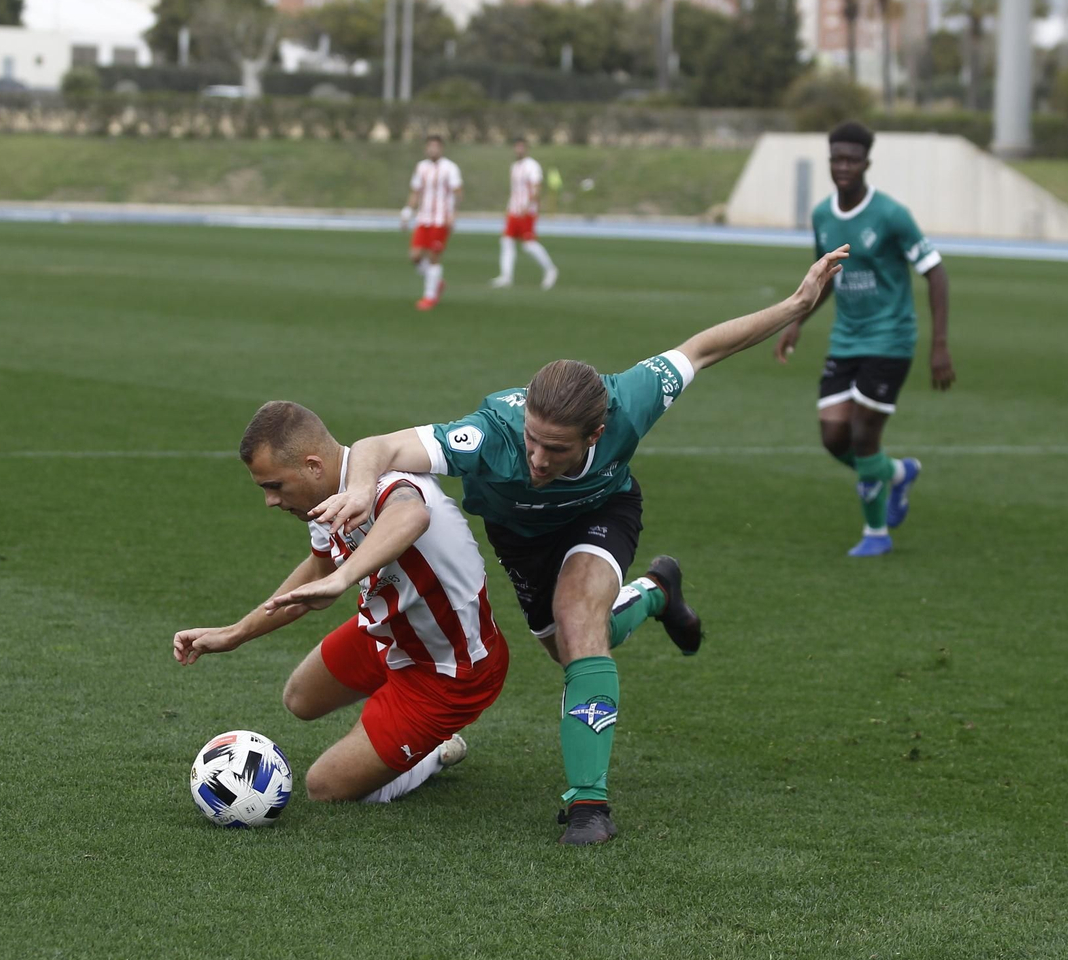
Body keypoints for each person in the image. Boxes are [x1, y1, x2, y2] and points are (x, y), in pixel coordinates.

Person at [310, 248, 848, 844]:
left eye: (556, 449)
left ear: (596, 432)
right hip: (520, 539)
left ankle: (589, 806)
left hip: (601, 515)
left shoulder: (631, 400)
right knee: (572, 647)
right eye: (532, 441)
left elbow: (703, 348)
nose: (538, 459)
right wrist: (360, 488)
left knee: (577, 619)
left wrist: (799, 303)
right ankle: (655, 592)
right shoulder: (489, 436)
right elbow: (378, 445)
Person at [172, 401, 508, 805]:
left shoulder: (387, 485)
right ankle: (400, 728)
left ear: (314, 466)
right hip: (390, 636)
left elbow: (411, 515)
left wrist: (343, 578)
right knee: (300, 698)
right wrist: (234, 634)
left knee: (325, 787)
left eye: (274, 486)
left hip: (450, 670)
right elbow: (316, 574)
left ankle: (434, 749)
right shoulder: (326, 500)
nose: (270, 501)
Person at [774, 121, 953, 558]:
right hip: (846, 340)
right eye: (837, 158)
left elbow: (935, 272)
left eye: (853, 159)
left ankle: (876, 533)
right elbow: (828, 276)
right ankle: (896, 473)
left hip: (890, 340)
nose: (844, 166)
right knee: (833, 437)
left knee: (862, 434)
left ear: (867, 163)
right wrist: (798, 320)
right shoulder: (822, 214)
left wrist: (939, 344)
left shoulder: (891, 215)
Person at [401, 135, 462, 312]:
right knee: (415, 256)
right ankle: (437, 282)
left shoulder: (450, 168)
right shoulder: (421, 167)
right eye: (430, 147)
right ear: (426, 149)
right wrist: (407, 212)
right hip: (423, 218)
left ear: (441, 149)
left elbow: (458, 193)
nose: (433, 150)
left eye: (436, 147)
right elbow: (415, 192)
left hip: (441, 219)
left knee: (434, 257)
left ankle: (430, 296)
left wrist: (453, 215)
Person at [491, 137, 559, 291]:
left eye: (522, 147)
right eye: (517, 147)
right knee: (506, 241)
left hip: (526, 211)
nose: (519, 150)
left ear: (527, 149)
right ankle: (506, 276)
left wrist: (528, 206)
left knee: (529, 244)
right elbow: (515, 191)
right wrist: (510, 207)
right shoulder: (514, 166)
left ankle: (550, 269)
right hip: (514, 211)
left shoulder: (532, 166)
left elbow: (536, 188)